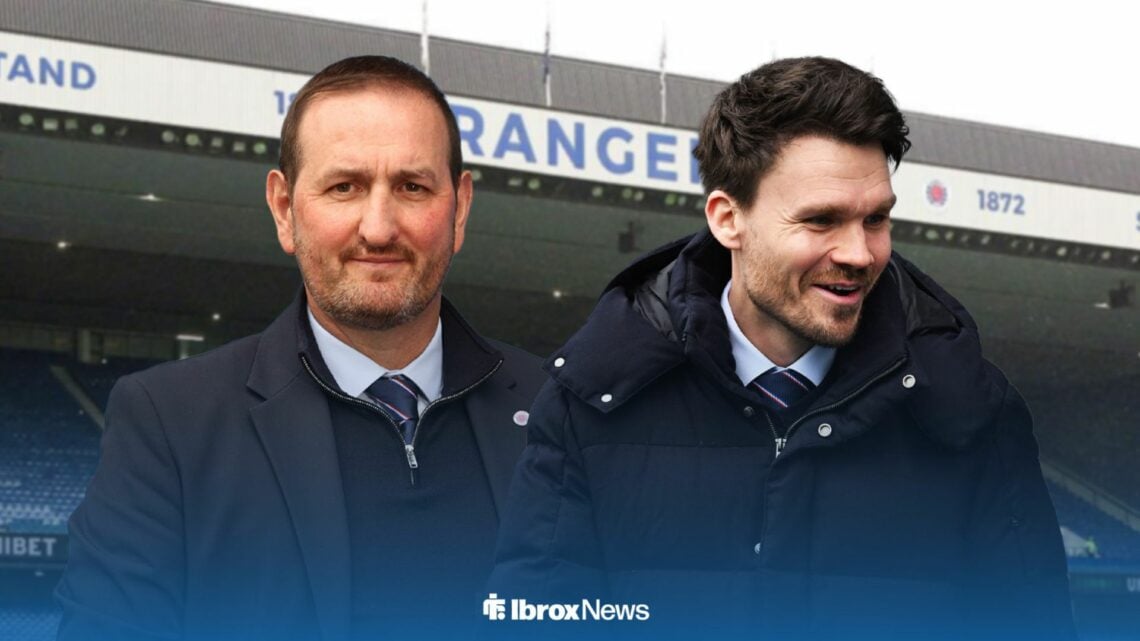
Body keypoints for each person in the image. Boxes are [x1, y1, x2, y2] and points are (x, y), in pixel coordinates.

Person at [490, 57, 1076, 641]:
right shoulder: (588, 401)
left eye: (876, 219)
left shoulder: (975, 409)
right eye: (821, 220)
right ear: (728, 219)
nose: (861, 253)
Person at [56, 55, 545, 641]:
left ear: (460, 209)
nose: (379, 228)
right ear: (285, 210)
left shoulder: (561, 413)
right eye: (345, 187)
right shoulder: (169, 424)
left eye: (412, 187)